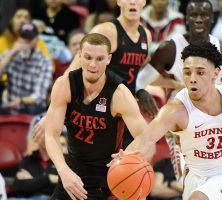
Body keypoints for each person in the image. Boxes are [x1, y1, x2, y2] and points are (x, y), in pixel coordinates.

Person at [111, 41, 222, 200]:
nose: (192, 78)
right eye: (187, 72)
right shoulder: (175, 110)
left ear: (215, 73)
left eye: (200, 72)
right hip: (194, 175)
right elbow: (145, 139)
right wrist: (124, 158)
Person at [45, 33, 153, 199]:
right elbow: (51, 134)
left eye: (100, 59)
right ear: (79, 55)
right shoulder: (64, 85)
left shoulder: (119, 94)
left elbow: (146, 139)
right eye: (88, 57)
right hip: (73, 167)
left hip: (108, 172)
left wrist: (128, 155)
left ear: (109, 59)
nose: (93, 64)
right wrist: (63, 170)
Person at [34, 0, 153, 149]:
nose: (132, 2)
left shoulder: (146, 35)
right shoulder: (106, 30)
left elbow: (136, 72)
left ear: (144, 2)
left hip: (126, 108)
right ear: (119, 2)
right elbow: (73, 70)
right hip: (99, 107)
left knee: (134, 160)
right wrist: (50, 113)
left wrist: (140, 91)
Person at [136, 0, 222, 116]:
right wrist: (141, 92)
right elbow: (139, 82)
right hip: (180, 116)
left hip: (214, 118)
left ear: (212, 18)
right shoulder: (169, 49)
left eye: (204, 15)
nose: (199, 20)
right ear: (187, 19)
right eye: (193, 15)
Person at [0, 22, 53, 115]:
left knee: (34, 108)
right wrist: (12, 53)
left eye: (30, 38)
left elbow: (39, 96)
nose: (26, 41)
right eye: (24, 37)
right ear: (18, 39)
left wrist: (20, 101)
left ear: (37, 40)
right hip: (9, 105)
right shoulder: (9, 55)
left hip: (31, 107)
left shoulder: (44, 62)